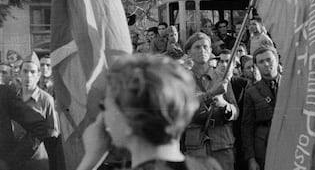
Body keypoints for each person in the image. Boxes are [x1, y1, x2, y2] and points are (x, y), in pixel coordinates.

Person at [76, 54, 222, 170]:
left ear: (127, 120)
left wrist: (90, 160)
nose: (103, 116)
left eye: (105, 107)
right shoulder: (210, 166)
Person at [183, 32, 238, 170]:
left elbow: (236, 111)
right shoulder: (183, 79)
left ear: (211, 50)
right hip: (196, 144)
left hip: (222, 142)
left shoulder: (221, 76)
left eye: (206, 47)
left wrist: (225, 105)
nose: (202, 50)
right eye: (197, 47)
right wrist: (211, 94)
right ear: (188, 52)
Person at [14, 52, 60, 170]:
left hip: (37, 158)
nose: (28, 76)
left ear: (39, 75)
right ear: (19, 73)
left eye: (33, 72)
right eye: (25, 71)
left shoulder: (46, 99)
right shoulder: (13, 97)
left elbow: (53, 131)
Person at [242, 46, 281, 170]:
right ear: (256, 66)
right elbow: (247, 128)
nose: (266, 64)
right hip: (264, 147)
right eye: (261, 62)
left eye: (269, 59)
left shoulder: (291, 85)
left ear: (277, 60)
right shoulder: (251, 92)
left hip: (289, 143)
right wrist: (251, 159)